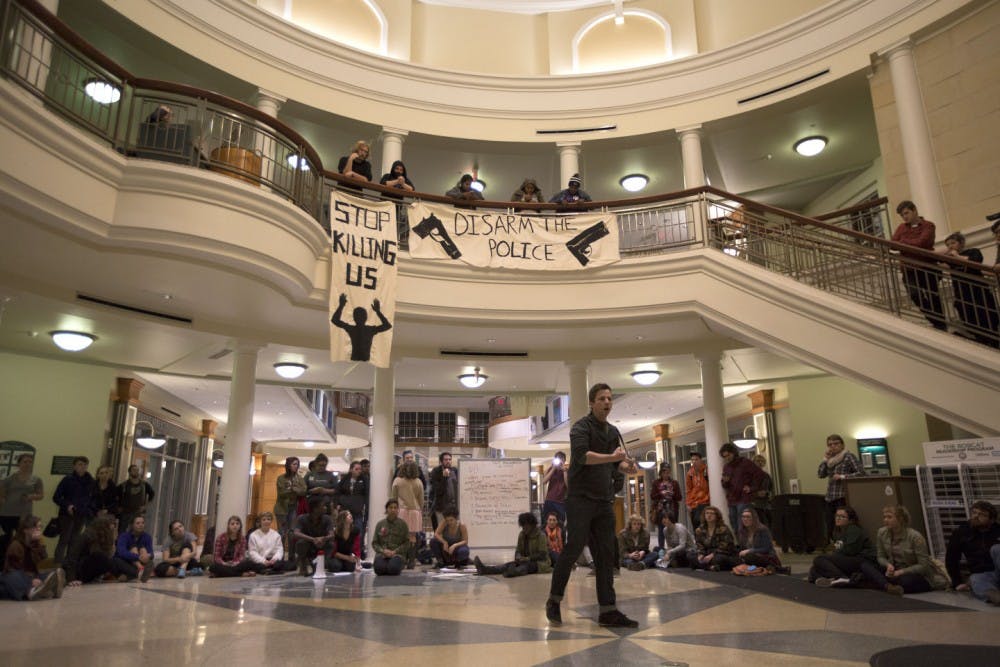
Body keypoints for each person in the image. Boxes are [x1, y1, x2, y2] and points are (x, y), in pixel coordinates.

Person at [546, 383, 639, 629]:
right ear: (591, 402)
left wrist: (626, 467)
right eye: (602, 398)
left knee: (606, 555)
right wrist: (613, 458)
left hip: (604, 501)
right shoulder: (580, 428)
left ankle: (608, 610)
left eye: (609, 398)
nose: (607, 402)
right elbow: (582, 457)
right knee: (574, 548)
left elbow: (615, 464)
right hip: (580, 500)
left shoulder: (613, 431)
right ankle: (554, 600)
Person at [857, 505, 948, 596]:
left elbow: (923, 566)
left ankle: (881, 583)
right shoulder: (882, 532)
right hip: (894, 570)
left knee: (905, 581)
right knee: (865, 565)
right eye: (884, 517)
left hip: (913, 573)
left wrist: (901, 572)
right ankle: (888, 587)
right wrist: (888, 565)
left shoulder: (915, 537)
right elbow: (881, 556)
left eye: (889, 517)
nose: (885, 520)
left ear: (900, 519)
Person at [891, 200, 945, 330]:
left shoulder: (928, 225)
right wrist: (907, 243)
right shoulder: (901, 227)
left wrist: (903, 242)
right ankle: (935, 321)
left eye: (906, 213)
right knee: (914, 294)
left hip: (927, 266)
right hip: (909, 268)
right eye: (902, 215)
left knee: (933, 296)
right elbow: (892, 244)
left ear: (914, 210)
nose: (904, 217)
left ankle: (941, 324)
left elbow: (923, 242)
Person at [941, 231, 999, 347]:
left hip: (978, 290)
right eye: (948, 245)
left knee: (986, 313)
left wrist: (956, 256)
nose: (950, 246)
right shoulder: (949, 258)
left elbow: (975, 261)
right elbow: (937, 262)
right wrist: (945, 254)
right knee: (967, 314)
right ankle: (980, 337)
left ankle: (992, 339)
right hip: (962, 293)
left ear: (961, 243)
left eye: (953, 243)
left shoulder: (973, 251)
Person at [945, 500, 1000, 604]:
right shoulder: (962, 531)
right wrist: (957, 582)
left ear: (992, 520)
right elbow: (951, 558)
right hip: (984, 575)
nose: (976, 516)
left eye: (982, 515)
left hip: (997, 569)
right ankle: (993, 596)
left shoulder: (998, 530)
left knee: (997, 549)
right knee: (975, 579)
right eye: (974, 512)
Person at [0, 515, 64, 601]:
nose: (39, 529)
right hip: (16, 575)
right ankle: (31, 591)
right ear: (25, 530)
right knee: (10, 577)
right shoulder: (15, 545)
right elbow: (13, 568)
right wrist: (31, 580)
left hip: (31, 576)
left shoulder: (36, 543)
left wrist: (39, 543)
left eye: (40, 527)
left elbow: (43, 557)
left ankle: (43, 589)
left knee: (52, 574)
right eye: (35, 527)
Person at [809, 506, 876, 586]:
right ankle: (830, 579)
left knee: (819, 559)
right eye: (837, 516)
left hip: (859, 559)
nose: (838, 518)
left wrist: (834, 557)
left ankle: (842, 578)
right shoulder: (837, 531)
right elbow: (838, 548)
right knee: (814, 569)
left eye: (842, 517)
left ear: (850, 520)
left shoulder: (854, 529)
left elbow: (850, 550)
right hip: (845, 559)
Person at [474, 512, 551, 578]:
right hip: (524, 561)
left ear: (532, 525)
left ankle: (513, 572)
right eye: (522, 526)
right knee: (507, 565)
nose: (524, 528)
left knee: (526, 567)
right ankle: (485, 570)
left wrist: (527, 558)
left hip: (540, 564)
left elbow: (542, 555)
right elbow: (518, 550)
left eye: (526, 526)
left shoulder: (541, 535)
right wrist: (517, 556)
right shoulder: (522, 534)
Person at [817, 434, 863, 540]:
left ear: (842, 445)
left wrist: (843, 476)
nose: (833, 446)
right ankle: (835, 544)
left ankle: (844, 543)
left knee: (843, 525)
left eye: (836, 443)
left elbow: (861, 473)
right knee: (830, 525)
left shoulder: (848, 456)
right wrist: (825, 459)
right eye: (830, 445)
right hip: (830, 498)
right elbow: (820, 474)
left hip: (842, 497)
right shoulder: (830, 460)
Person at [52, 455, 97, 564]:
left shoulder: (91, 481)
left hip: (81, 515)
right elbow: (56, 497)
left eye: (85, 465)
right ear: (74, 466)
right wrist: (67, 505)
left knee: (75, 541)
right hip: (67, 514)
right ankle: (57, 565)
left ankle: (69, 564)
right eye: (80, 464)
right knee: (64, 539)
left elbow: (93, 498)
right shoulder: (67, 479)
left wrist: (88, 509)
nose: (82, 467)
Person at [0, 453, 43, 556]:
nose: (27, 464)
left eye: (30, 462)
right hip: (7, 513)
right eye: (25, 462)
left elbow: (41, 495)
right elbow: (2, 493)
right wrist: (2, 499)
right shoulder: (9, 478)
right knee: (5, 540)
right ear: (18, 464)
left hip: (25, 514)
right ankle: (4, 563)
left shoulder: (36, 479)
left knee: (25, 540)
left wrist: (31, 497)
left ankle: (22, 563)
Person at [65, 515, 128, 585]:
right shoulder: (87, 536)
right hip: (79, 571)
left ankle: (125, 575)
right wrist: (71, 579)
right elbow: (72, 558)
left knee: (114, 560)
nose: (112, 530)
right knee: (99, 556)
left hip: (89, 572)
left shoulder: (104, 538)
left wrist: (113, 541)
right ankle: (120, 575)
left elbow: (109, 556)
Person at [331, 293, 392, 363]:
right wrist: (378, 312)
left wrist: (341, 306)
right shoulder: (369, 330)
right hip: (361, 357)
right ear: (366, 318)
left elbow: (335, 320)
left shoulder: (353, 329)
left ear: (354, 318)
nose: (360, 318)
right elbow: (387, 325)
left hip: (356, 357)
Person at [719, 443, 766, 530]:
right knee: (734, 523)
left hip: (744, 498)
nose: (727, 458)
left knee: (743, 524)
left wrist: (752, 488)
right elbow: (724, 484)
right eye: (724, 457)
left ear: (733, 453)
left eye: (728, 455)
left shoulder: (745, 462)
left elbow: (760, 474)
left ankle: (746, 539)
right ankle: (739, 539)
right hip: (732, 499)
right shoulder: (726, 467)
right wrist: (725, 482)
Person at [390, 460, 424, 569]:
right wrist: (420, 509)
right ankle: (412, 561)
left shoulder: (397, 481)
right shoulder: (418, 482)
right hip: (415, 511)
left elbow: (393, 498)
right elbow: (421, 500)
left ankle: (402, 560)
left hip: (401, 511)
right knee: (412, 537)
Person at [292, 498, 335, 576]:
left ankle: (320, 564)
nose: (325, 508)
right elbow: (296, 533)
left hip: (321, 545)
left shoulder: (327, 518)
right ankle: (303, 565)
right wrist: (313, 539)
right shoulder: (302, 518)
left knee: (331, 544)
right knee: (301, 543)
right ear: (315, 509)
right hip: (308, 545)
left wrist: (323, 538)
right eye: (323, 506)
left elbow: (332, 535)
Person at [688, 505, 738, 572]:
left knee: (719, 559)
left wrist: (712, 555)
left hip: (721, 553)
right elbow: (699, 544)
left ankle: (705, 566)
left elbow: (725, 546)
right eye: (707, 513)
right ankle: (710, 567)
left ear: (717, 516)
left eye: (712, 513)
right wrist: (701, 554)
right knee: (691, 556)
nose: (709, 515)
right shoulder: (699, 530)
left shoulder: (723, 528)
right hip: (707, 552)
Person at [372, 499, 410, 576]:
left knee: (393, 569)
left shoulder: (403, 525)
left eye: (395, 507)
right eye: (390, 507)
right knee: (379, 569)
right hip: (382, 554)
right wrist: (383, 551)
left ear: (398, 510)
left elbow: (406, 543)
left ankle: (390, 566)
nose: (393, 510)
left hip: (397, 555)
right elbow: (375, 543)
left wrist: (394, 552)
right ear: (387, 509)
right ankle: (386, 566)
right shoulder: (380, 524)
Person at [114, 514, 155, 582]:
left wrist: (147, 555)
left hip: (139, 563)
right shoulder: (124, 536)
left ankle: (135, 574)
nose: (141, 525)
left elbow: (151, 553)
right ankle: (138, 573)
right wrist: (138, 557)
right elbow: (121, 552)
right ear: (132, 525)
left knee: (143, 550)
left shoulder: (147, 537)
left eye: (143, 523)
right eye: (138, 523)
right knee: (117, 559)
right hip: (125, 562)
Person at [274, 456, 307, 540]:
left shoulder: (299, 478)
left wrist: (295, 490)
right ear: (288, 465)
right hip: (281, 508)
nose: (296, 466)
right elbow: (281, 493)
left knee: (292, 532)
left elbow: (304, 491)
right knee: (282, 533)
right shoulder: (281, 478)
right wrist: (293, 490)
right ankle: (280, 548)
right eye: (294, 464)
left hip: (293, 508)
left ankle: (291, 549)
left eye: (297, 464)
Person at [650, 463, 681, 549]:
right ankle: (661, 548)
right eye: (664, 472)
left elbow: (679, 497)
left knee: (673, 528)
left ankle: (674, 548)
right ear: (661, 473)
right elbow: (652, 496)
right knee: (661, 529)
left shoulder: (674, 483)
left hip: (672, 509)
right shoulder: (656, 483)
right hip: (660, 509)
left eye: (668, 472)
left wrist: (672, 494)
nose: (666, 474)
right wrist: (661, 494)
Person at [117, 464, 155, 532]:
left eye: (137, 470)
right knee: (123, 531)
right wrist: (119, 507)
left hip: (138, 512)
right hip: (126, 513)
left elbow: (152, 494)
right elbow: (117, 497)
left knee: (137, 531)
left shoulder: (144, 485)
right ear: (130, 472)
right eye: (134, 470)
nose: (136, 471)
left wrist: (145, 506)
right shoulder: (123, 485)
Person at [337, 460, 369, 538]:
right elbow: (338, 491)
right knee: (344, 531)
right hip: (345, 510)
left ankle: (359, 545)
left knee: (359, 532)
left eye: (360, 469)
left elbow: (367, 493)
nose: (359, 471)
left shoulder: (364, 479)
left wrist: (366, 506)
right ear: (351, 469)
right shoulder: (345, 479)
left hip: (358, 511)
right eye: (356, 469)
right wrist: (337, 503)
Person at [429, 452, 458, 529]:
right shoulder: (436, 471)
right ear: (441, 461)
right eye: (446, 459)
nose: (448, 461)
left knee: (452, 529)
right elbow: (438, 491)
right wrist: (444, 477)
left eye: (449, 459)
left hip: (453, 507)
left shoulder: (455, 470)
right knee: (441, 529)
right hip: (441, 507)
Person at [541, 451, 568, 524]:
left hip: (560, 502)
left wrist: (564, 471)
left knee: (560, 522)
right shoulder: (551, 469)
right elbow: (544, 482)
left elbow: (568, 485)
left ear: (564, 460)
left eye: (561, 458)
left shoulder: (566, 471)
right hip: (549, 500)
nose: (560, 460)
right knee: (546, 522)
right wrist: (553, 468)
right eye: (558, 458)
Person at [685, 452, 710, 529]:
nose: (694, 462)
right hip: (694, 503)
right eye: (692, 460)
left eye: (696, 459)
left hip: (705, 502)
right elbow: (688, 490)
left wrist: (708, 497)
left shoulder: (706, 470)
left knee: (702, 524)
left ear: (701, 460)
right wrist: (688, 504)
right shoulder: (690, 473)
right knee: (695, 525)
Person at [750, 454, 773, 528]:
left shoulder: (767, 476)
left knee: (770, 524)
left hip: (766, 504)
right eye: (757, 461)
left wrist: (767, 493)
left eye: (761, 461)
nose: (760, 463)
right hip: (755, 504)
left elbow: (771, 488)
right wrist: (756, 494)